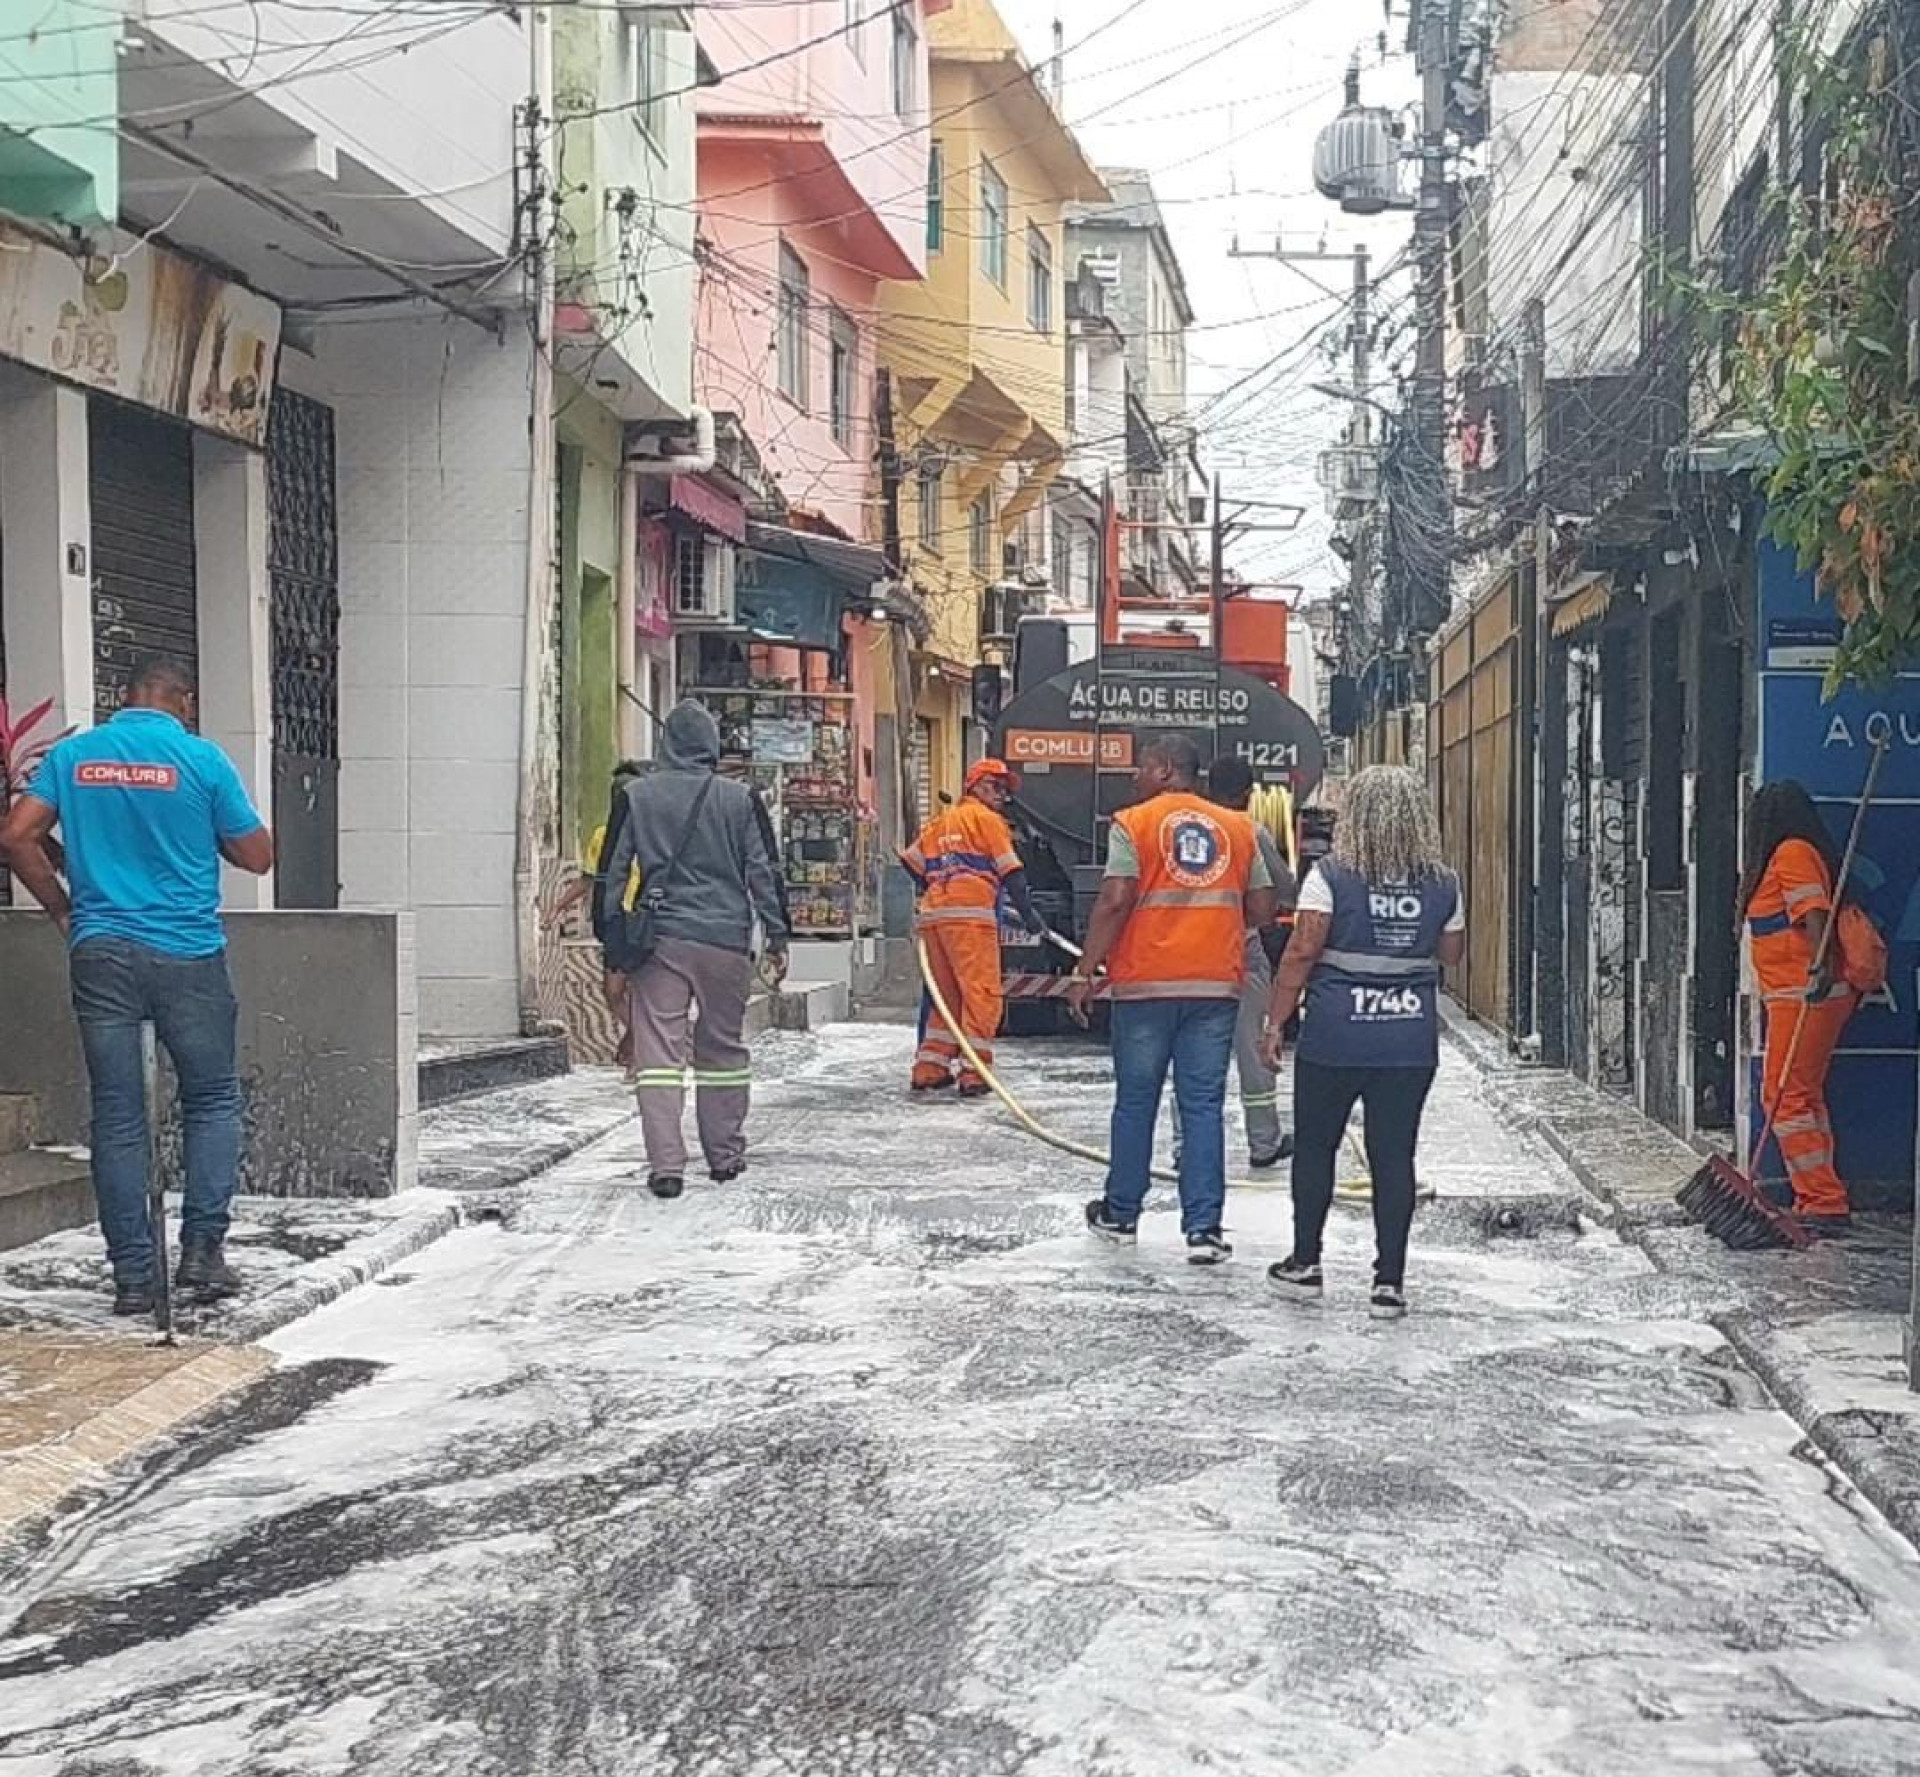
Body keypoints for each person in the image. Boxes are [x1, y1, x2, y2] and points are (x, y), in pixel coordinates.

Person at [0, 658, 274, 1315]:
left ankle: (132, 1277)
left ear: (123, 700)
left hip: (102, 953)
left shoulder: (76, 756)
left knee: (118, 1114)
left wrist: (64, 909)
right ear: (186, 699)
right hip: (188, 954)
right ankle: (202, 1254)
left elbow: (16, 837)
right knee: (210, 1099)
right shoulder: (201, 758)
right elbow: (258, 855)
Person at [1261, 765, 1463, 1319]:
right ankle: (1388, 1283)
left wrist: (1275, 1021)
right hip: (1407, 1039)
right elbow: (1450, 955)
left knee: (1317, 1147)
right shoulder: (1444, 882)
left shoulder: (1330, 875)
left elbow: (1301, 953)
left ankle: (1305, 1263)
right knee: (1394, 1157)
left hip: (1336, 1036)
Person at [1069, 734, 1277, 1264]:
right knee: (1203, 1105)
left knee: (1136, 1102)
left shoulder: (1132, 824)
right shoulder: (1238, 828)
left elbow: (1115, 900)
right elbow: (1263, 905)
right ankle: (1204, 1230)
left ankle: (1121, 1214)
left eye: (1142, 767)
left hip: (1145, 987)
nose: (1135, 776)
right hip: (1213, 985)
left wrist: (1086, 968)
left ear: (1164, 769)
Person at [601, 700, 788, 1199]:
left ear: (666, 743)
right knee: (723, 1048)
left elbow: (612, 873)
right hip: (725, 940)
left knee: (658, 1054)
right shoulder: (739, 799)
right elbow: (762, 872)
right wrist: (777, 935)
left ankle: (666, 1166)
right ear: (711, 745)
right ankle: (724, 1156)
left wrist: (612, 940)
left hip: (660, 938)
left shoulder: (636, 796)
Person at [1738, 780, 1859, 1232]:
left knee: (1784, 1096)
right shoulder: (1794, 851)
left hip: (1805, 993)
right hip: (1796, 995)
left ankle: (1822, 1201)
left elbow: (1813, 914)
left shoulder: (1791, 852)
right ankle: (1821, 1194)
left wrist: (1822, 970)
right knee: (1800, 1095)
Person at [1169, 755, 1298, 1170]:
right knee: (1254, 1048)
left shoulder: (1177, 829)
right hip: (1239, 951)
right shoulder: (1249, 830)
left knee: (1190, 1055)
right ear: (1247, 794)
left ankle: (1186, 1146)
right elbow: (1283, 890)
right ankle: (1264, 1142)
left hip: (1185, 955)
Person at [900, 758, 1045, 1097]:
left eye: (1005, 790)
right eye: (996, 786)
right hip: (970, 920)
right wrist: (1028, 915)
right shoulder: (988, 821)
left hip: (935, 919)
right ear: (976, 786)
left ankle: (930, 1067)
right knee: (981, 994)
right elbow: (1011, 872)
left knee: (946, 995)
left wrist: (936, 887)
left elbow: (911, 861)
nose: (1002, 795)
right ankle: (974, 1072)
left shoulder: (941, 821)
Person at [547, 760, 646, 1073]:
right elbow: (589, 878)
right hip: (616, 922)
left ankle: (638, 1052)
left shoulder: (657, 835)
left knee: (642, 991)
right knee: (613, 991)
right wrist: (558, 906)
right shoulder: (602, 836)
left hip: (647, 921)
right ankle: (637, 1040)